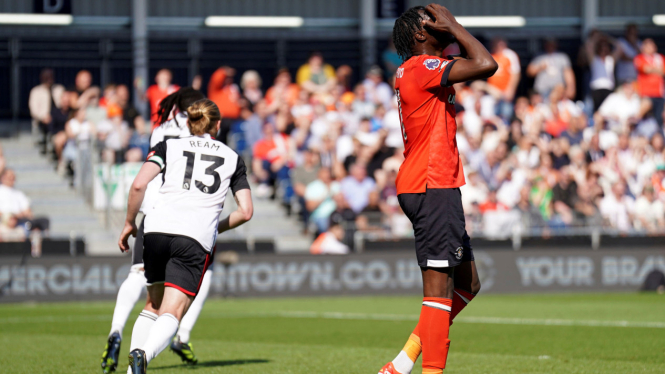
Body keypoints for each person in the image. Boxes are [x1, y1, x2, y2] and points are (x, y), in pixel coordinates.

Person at [378, 4, 497, 374]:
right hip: (431, 182)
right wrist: (456, 25)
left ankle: (400, 364)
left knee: (468, 284)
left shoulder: (414, 69)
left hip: (434, 182)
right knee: (437, 292)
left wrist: (448, 29)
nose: (442, 25)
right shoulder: (423, 67)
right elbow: (486, 64)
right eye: (433, 23)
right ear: (419, 35)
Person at [118, 98, 253, 374]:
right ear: (217, 124)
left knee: (153, 303)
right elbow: (246, 211)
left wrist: (129, 223)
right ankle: (142, 355)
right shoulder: (232, 158)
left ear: (190, 122)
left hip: (155, 231)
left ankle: (132, 370)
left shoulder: (168, 146)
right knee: (173, 311)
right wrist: (216, 227)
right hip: (193, 237)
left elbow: (139, 184)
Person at [100, 88, 207, 374]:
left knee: (141, 282)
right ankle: (180, 336)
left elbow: (141, 181)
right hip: (188, 217)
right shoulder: (202, 131)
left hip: (153, 213)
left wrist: (129, 221)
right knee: (197, 280)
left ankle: (117, 331)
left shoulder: (160, 130)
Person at [29, 68, 64, 154]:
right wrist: (43, 117)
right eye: (46, 77)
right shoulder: (36, 91)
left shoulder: (59, 89)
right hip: (43, 120)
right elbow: (33, 110)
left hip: (60, 118)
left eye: (50, 77)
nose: (49, 79)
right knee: (49, 122)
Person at [487, 37, 521, 121]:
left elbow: (515, 73)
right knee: (492, 116)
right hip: (492, 92)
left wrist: (510, 90)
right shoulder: (491, 55)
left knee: (505, 115)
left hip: (504, 92)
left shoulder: (509, 55)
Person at [634, 39, 665, 128]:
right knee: (640, 116)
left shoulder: (661, 58)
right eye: (647, 46)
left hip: (659, 93)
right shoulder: (639, 58)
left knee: (659, 119)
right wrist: (658, 70)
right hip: (646, 93)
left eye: (651, 45)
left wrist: (652, 69)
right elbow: (645, 69)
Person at [207, 66, 242, 144]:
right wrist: (224, 71)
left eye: (230, 78)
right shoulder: (216, 89)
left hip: (234, 120)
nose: (228, 79)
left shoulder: (233, 89)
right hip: (221, 120)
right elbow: (216, 79)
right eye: (226, 77)